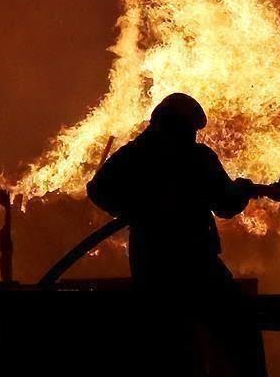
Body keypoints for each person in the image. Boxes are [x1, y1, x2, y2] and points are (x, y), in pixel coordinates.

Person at [86, 92, 265, 376]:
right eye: (191, 129)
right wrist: (243, 189)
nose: (192, 135)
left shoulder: (134, 154)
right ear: (181, 126)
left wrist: (133, 210)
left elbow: (97, 190)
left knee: (172, 345)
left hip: (150, 265)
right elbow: (226, 204)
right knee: (238, 324)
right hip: (195, 263)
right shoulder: (196, 158)